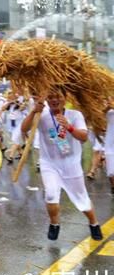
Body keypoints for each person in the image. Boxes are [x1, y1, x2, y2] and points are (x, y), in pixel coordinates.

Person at [21, 89, 103, 241]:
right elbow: (24, 129)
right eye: (50, 97)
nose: (54, 100)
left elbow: (84, 137)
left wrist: (70, 127)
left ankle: (94, 223)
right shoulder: (42, 115)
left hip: (71, 163)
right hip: (49, 163)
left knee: (82, 199)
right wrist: (33, 112)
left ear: (65, 98)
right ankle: (54, 223)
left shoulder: (75, 115)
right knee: (51, 194)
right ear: (46, 99)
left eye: (58, 96)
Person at [104, 102, 114, 195]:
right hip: (110, 144)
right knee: (111, 171)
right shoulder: (109, 110)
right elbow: (97, 115)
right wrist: (107, 107)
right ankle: (113, 186)